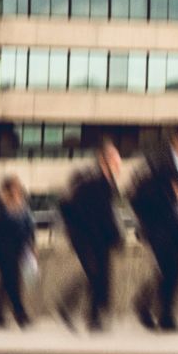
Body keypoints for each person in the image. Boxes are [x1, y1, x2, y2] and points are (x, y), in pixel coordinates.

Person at [129, 126, 178, 332]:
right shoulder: (159, 163)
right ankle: (162, 315)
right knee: (168, 271)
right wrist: (169, 197)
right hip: (160, 227)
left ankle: (148, 306)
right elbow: (137, 194)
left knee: (175, 273)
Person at [56, 141, 126, 331]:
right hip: (85, 237)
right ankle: (69, 305)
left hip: (100, 238)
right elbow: (67, 204)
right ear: (104, 160)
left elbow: (108, 214)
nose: (118, 163)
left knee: (101, 275)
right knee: (94, 273)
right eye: (114, 158)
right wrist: (76, 229)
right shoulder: (89, 179)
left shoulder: (107, 182)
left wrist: (115, 236)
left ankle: (94, 316)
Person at [0, 174, 36, 329]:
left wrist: (32, 245)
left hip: (19, 246)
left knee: (6, 280)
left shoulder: (23, 204)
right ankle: (20, 313)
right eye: (14, 185)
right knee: (12, 279)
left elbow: (29, 225)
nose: (17, 188)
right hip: (2, 247)